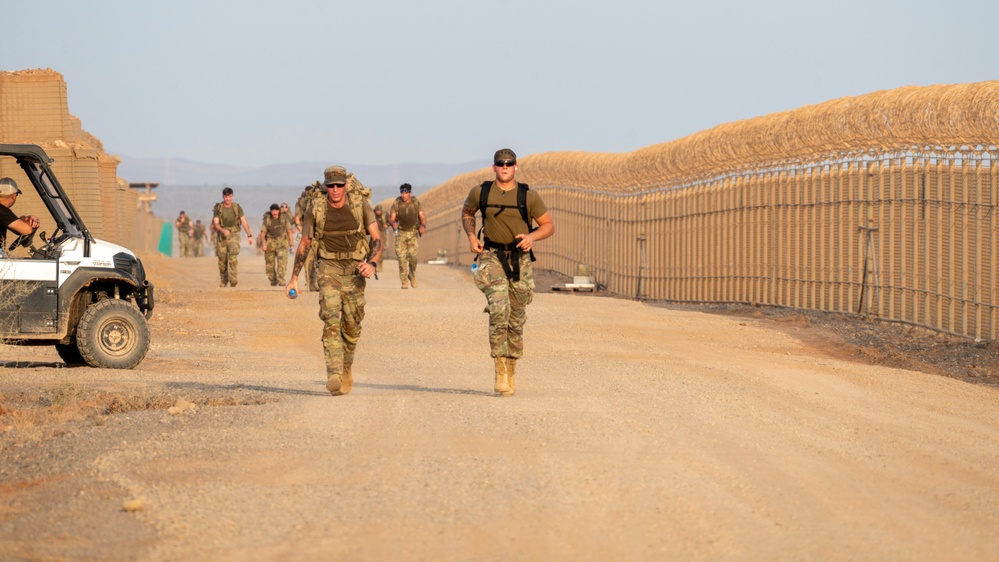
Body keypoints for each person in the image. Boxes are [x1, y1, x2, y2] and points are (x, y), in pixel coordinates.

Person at [461, 149, 554, 396]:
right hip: (492, 257)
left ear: (516, 167)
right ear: (493, 167)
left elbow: (548, 225)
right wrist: (472, 236)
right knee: (499, 310)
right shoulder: (481, 192)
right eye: (500, 164)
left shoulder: (528, 196)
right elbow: (467, 213)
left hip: (520, 261)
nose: (504, 167)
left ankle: (511, 366)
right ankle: (499, 369)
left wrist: (531, 237)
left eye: (509, 163)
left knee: (516, 318)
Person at [286, 166, 381, 397]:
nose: (335, 190)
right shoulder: (316, 208)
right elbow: (306, 243)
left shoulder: (360, 206)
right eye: (331, 186)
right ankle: (334, 374)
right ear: (326, 187)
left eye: (339, 185)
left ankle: (346, 367)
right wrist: (294, 278)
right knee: (330, 319)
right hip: (328, 268)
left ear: (346, 185)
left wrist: (372, 263)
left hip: (355, 269)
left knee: (351, 325)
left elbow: (377, 239)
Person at [212, 187, 253, 287]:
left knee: (233, 258)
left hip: (234, 235)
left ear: (232, 197)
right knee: (222, 260)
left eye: (229, 197)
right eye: (226, 197)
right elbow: (216, 223)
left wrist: (249, 235)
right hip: (222, 236)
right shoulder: (218, 208)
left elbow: (243, 221)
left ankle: (233, 279)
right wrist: (222, 230)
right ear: (223, 196)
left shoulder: (237, 207)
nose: (227, 199)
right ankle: (223, 280)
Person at [389, 183, 426, 288]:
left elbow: (422, 217)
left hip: (413, 233)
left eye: (406, 193)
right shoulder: (397, 203)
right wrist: (393, 223)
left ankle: (412, 275)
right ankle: (404, 281)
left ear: (410, 193)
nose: (403, 195)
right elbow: (392, 218)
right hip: (401, 233)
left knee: (413, 257)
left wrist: (423, 226)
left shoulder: (416, 203)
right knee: (401, 258)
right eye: (402, 192)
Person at [0, 178, 41, 256]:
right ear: (13, 196)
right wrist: (28, 221)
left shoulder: (3, 214)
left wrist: (25, 219)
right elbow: (26, 230)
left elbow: (16, 227)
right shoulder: (2, 211)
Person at [260, 203, 294, 286]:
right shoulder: (267, 220)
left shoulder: (283, 218)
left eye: (276, 211)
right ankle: (273, 280)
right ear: (271, 211)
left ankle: (281, 280)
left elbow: (289, 232)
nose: (274, 213)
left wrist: (292, 245)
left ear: (279, 211)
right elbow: (262, 234)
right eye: (273, 211)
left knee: (282, 262)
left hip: (282, 242)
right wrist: (263, 244)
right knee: (269, 264)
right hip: (270, 242)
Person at [294, 185, 320, 291]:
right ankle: (311, 283)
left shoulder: (322, 201)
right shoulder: (304, 203)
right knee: (308, 259)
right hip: (309, 233)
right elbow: (297, 218)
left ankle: (317, 282)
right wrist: (302, 230)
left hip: (320, 234)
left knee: (319, 259)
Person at [372, 203, 389, 272]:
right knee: (373, 249)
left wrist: (387, 225)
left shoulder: (385, 215)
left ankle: (380, 264)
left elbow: (390, 221)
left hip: (383, 234)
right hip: (374, 234)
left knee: (382, 249)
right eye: (377, 211)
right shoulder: (372, 215)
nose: (378, 212)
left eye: (379, 211)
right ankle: (373, 265)